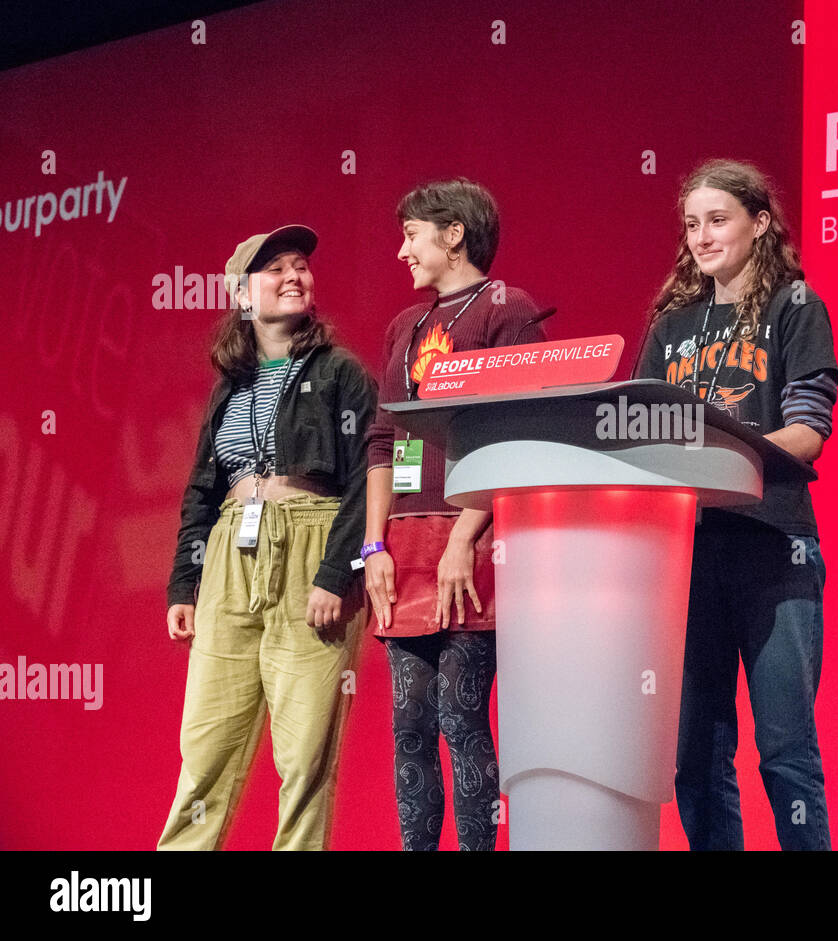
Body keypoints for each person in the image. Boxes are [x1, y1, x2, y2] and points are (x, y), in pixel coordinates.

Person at [634, 158, 838, 850]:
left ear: (759, 222)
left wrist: (715, 461)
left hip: (773, 550)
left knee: (784, 752)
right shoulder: (671, 326)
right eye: (691, 223)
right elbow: (637, 431)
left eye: (717, 219)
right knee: (694, 757)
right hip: (689, 561)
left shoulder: (795, 306)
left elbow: (807, 431)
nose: (702, 236)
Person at [161, 225, 377, 850]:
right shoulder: (229, 383)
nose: (294, 276)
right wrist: (185, 584)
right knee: (205, 749)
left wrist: (338, 573)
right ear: (242, 293)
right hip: (231, 554)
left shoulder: (341, 372)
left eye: (302, 265)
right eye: (275, 268)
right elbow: (202, 488)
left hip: (311, 549)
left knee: (305, 759)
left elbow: (372, 475)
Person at [362, 178, 548, 851]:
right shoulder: (401, 328)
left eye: (412, 233)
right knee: (410, 724)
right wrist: (372, 549)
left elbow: (518, 434)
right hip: (405, 547)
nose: (402, 250)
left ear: (453, 233)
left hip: (474, 542)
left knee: (460, 717)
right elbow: (383, 445)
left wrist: (465, 536)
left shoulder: (508, 310)